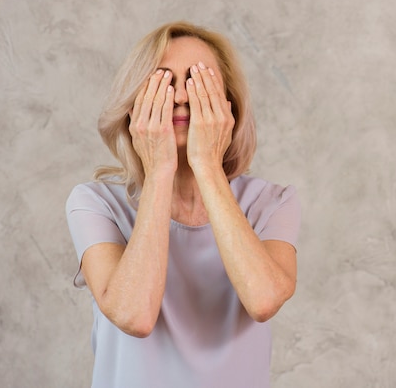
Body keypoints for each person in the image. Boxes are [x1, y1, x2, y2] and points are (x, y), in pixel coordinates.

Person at [65, 21, 301, 388]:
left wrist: (207, 165)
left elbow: (263, 300)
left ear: (229, 104)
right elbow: (135, 315)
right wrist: (159, 169)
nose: (179, 98)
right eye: (161, 83)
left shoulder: (271, 203)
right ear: (134, 104)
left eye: (197, 82)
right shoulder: (95, 204)